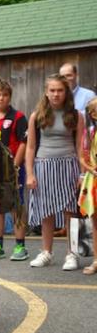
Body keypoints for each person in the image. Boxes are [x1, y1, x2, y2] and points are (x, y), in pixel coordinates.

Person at [26, 74, 85, 270]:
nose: (56, 94)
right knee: (46, 211)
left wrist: (82, 173)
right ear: (46, 92)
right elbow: (31, 147)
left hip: (69, 165)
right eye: (52, 90)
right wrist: (30, 173)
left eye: (60, 90)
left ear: (66, 92)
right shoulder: (37, 116)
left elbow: (80, 147)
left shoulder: (76, 115)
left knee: (71, 212)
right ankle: (46, 252)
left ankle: (72, 253)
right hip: (43, 165)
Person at [0, 78, 29, 261]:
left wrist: (16, 166)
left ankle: (20, 245)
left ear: (9, 97)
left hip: (13, 168)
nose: (1, 98)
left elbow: (24, 143)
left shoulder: (18, 117)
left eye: (4, 95)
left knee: (15, 205)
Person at [78, 98, 97, 274]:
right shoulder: (90, 133)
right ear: (93, 114)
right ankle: (96, 260)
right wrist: (91, 169)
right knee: (95, 221)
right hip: (94, 180)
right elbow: (83, 157)